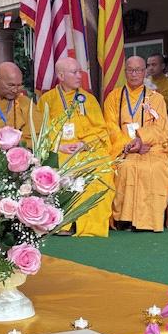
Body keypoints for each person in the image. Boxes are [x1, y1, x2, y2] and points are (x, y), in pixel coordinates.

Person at [38, 57, 114, 237]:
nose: (80, 76)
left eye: (80, 71)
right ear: (61, 75)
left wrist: (84, 144)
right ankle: (64, 223)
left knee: (101, 168)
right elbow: (40, 133)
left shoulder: (89, 99)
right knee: (60, 168)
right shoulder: (47, 100)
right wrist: (58, 147)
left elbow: (101, 131)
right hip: (59, 151)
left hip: (86, 150)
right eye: (75, 72)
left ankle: (90, 226)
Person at [104, 56, 168, 232]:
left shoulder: (156, 98)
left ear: (145, 72)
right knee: (125, 167)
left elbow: (162, 128)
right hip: (123, 148)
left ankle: (149, 220)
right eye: (130, 70)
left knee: (155, 168)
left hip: (150, 148)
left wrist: (142, 140)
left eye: (139, 70)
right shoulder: (114, 97)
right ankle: (124, 218)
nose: (134, 74)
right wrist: (128, 144)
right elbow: (110, 127)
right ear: (125, 72)